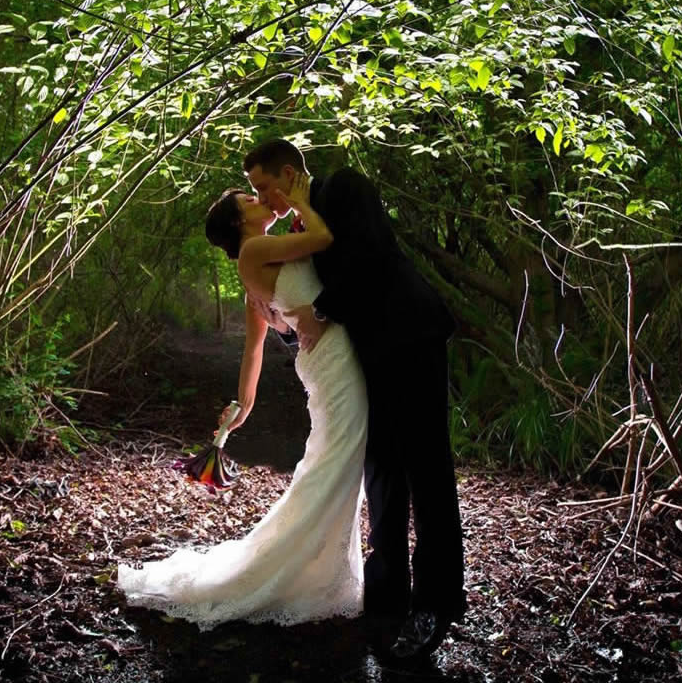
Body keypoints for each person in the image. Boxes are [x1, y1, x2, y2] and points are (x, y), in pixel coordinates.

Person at [242, 139, 465, 661]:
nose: (262, 199)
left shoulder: (344, 187)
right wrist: (281, 316)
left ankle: (435, 603)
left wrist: (319, 312)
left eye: (265, 186)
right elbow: (299, 301)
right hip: (365, 353)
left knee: (425, 468)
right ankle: (387, 589)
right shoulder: (300, 226)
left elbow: (367, 256)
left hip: (410, 334)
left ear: (292, 172)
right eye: (254, 191)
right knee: (381, 466)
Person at [117, 173, 370, 629]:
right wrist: (296, 199)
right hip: (330, 363)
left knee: (334, 461)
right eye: (251, 198)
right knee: (338, 459)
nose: (260, 199)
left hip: (328, 363)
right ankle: (304, 571)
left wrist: (240, 409)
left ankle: (317, 568)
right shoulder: (256, 251)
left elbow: (253, 350)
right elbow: (323, 238)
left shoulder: (265, 258)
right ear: (240, 219)